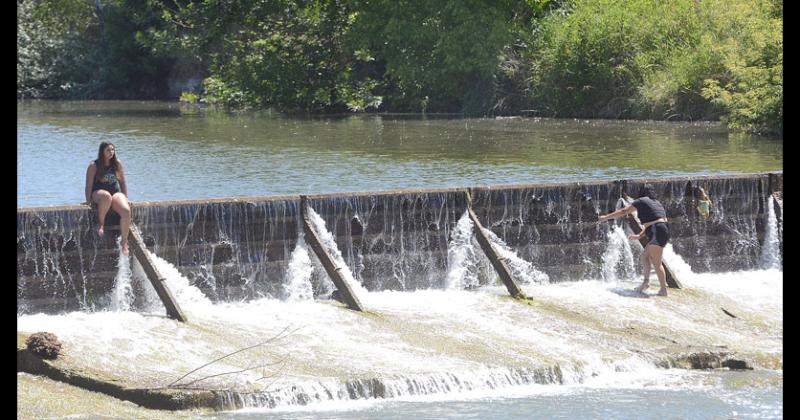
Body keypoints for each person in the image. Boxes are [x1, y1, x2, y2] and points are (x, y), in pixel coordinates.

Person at [598, 184, 669, 296]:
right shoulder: (656, 202)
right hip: (662, 230)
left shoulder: (641, 201)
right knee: (644, 257)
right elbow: (655, 221)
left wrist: (606, 217)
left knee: (657, 263)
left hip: (657, 230)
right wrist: (639, 236)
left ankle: (663, 290)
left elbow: (623, 211)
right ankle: (646, 283)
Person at [84, 142, 132, 255]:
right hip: (98, 194)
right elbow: (88, 185)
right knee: (106, 196)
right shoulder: (94, 165)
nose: (111, 152)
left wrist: (126, 198)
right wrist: (88, 200)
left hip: (115, 193)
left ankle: (124, 242)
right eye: (108, 150)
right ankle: (101, 224)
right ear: (102, 152)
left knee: (126, 210)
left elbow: (123, 183)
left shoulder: (117, 164)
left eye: (113, 150)